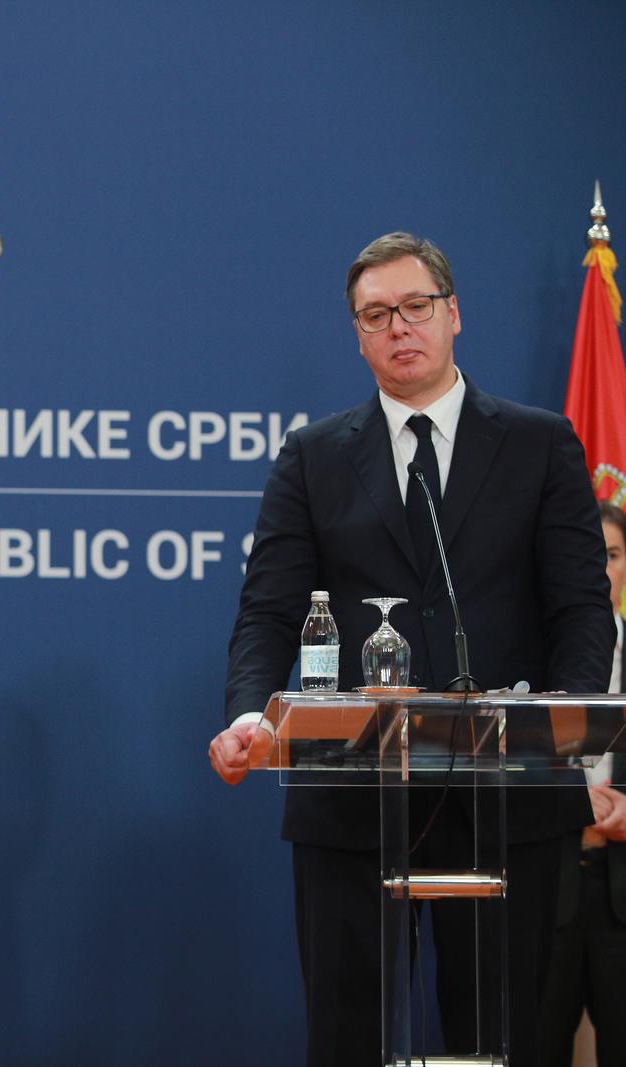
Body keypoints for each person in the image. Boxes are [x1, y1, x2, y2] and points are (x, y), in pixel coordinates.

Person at [206, 233, 616, 1066]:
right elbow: (267, 611)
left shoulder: (540, 445)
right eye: (376, 314)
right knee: (348, 1038)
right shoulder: (314, 457)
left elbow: (582, 609)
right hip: (355, 799)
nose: (400, 327)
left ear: (453, 313)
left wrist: (563, 737)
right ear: (357, 335)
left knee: (510, 1040)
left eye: (415, 307)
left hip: (512, 799)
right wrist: (250, 712)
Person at [540, 502, 626, 1066]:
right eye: (589, 554)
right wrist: (570, 802)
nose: (599, 567)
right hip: (545, 892)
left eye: (613, 555)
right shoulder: (531, 660)